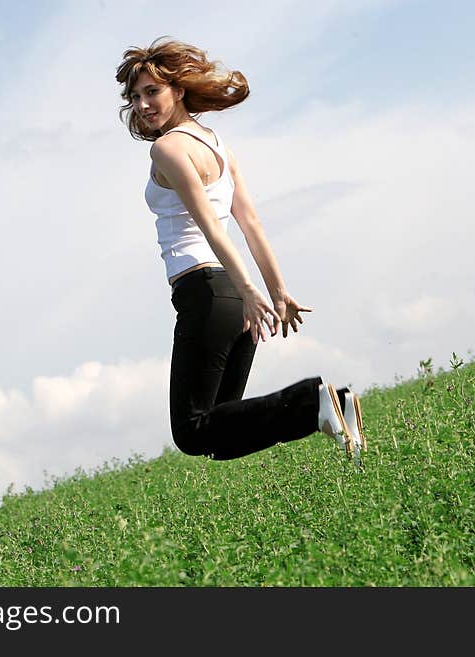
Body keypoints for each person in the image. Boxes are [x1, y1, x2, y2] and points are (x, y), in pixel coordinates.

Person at [115, 36, 366, 461]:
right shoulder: (217, 145)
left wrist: (254, 291)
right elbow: (251, 225)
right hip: (230, 294)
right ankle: (334, 405)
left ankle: (316, 402)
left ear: (178, 90)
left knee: (192, 432)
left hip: (209, 292)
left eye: (152, 91)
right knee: (220, 432)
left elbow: (213, 227)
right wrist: (277, 291)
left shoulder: (168, 149)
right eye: (135, 96)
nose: (142, 105)